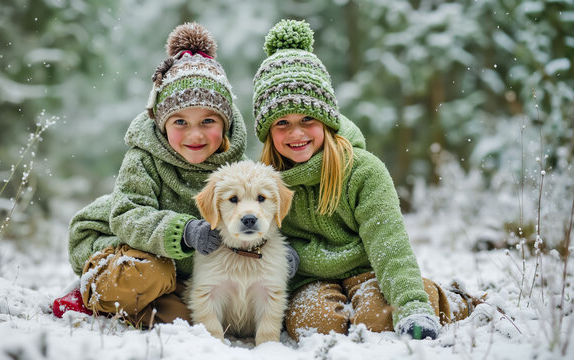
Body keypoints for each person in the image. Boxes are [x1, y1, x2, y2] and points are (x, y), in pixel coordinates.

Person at [54, 23, 302, 327]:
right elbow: (127, 215)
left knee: (184, 316)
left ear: (225, 124)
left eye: (208, 120)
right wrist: (183, 232)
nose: (195, 134)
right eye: (180, 122)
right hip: (118, 243)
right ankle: (91, 291)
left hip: (177, 267)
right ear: (162, 124)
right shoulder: (143, 159)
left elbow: (253, 212)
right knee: (148, 274)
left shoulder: (236, 167)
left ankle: (142, 303)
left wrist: (270, 249)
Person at [252, 19, 480, 341]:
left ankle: (448, 301)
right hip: (310, 281)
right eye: (282, 123)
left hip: (371, 270)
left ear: (328, 120)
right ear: (267, 132)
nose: (297, 133)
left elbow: (390, 246)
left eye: (307, 119)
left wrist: (412, 306)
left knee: (377, 316)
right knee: (313, 324)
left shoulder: (363, 171)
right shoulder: (263, 183)